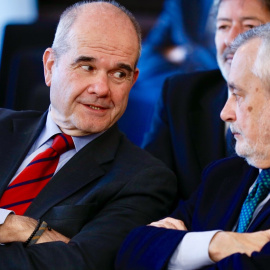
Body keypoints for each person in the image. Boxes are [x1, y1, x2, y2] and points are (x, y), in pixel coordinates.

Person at [0, 1, 177, 269]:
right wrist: (27, 229)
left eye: (119, 73)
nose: (101, 88)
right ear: (50, 67)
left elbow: (80, 265)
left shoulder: (145, 180)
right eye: (87, 67)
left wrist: (22, 228)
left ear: (133, 81)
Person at [116, 22, 270, 270]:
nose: (224, 113)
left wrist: (182, 247)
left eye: (238, 95)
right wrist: (218, 243)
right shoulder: (223, 176)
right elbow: (131, 252)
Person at [142, 0, 270, 199]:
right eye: (223, 26)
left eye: (250, 27)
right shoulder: (179, 94)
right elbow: (147, 186)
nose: (231, 39)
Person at [117, 0, 217, 146]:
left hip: (215, 77)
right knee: (125, 88)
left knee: (169, 95)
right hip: (177, 75)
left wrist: (185, 52)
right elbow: (145, 54)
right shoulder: (183, 3)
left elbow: (227, 58)